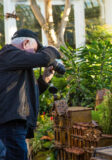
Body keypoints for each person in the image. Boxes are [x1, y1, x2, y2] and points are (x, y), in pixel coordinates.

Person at [0, 29, 65, 160]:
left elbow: (25, 95)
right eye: (35, 50)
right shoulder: (8, 53)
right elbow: (45, 58)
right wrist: (51, 49)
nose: (35, 55)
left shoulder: (15, 61)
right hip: (10, 123)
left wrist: (44, 80)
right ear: (26, 43)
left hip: (14, 122)